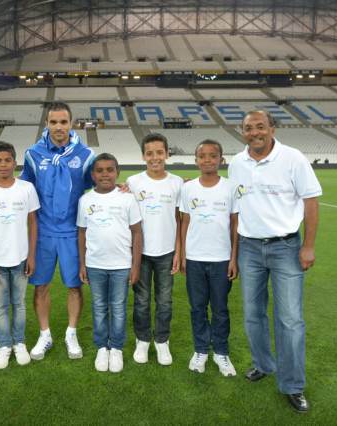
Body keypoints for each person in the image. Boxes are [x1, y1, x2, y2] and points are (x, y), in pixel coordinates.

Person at [228, 110, 321, 413]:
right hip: (250, 248)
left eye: (260, 126)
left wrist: (308, 246)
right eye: (248, 128)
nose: (254, 132)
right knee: (253, 314)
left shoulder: (293, 158)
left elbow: (311, 202)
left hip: (286, 248)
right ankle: (263, 365)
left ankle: (293, 385)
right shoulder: (237, 163)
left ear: (272, 128)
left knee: (290, 319)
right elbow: (234, 205)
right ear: (242, 132)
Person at [20, 102, 95, 360]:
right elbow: (21, 188)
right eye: (54, 122)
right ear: (47, 124)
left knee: (75, 286)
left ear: (71, 124)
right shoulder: (33, 153)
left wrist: (122, 187)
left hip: (72, 233)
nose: (59, 127)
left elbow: (100, 185)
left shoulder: (86, 155)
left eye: (64, 122)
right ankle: (45, 334)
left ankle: (71, 333)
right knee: (40, 286)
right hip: (42, 233)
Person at [0, 142, 40, 369]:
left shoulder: (26, 188)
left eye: (7, 160)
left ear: (15, 162)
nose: (3, 165)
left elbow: (33, 223)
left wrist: (32, 256)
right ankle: (4, 345)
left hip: (21, 258)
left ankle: (19, 343)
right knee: (0, 305)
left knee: (19, 303)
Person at [77, 153, 143, 373]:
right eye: (100, 170)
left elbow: (136, 233)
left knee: (118, 308)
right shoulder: (85, 200)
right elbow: (82, 234)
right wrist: (82, 264)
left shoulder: (127, 198)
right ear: (93, 175)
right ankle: (101, 347)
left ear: (117, 172)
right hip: (95, 264)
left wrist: (135, 266)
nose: (105, 174)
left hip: (121, 265)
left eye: (110, 170)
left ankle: (116, 348)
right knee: (98, 307)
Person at [180, 140, 238, 377]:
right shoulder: (188, 188)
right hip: (194, 258)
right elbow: (183, 222)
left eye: (212, 156)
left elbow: (235, 224)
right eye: (202, 156)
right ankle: (201, 349)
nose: (207, 160)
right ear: (196, 160)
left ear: (221, 159)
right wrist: (182, 255)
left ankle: (221, 352)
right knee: (197, 307)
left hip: (222, 258)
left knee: (220, 308)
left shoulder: (230, 187)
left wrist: (234, 258)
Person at [126, 133, 182, 366]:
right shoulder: (132, 182)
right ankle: (142, 340)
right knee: (141, 300)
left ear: (167, 154)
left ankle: (162, 341)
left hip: (167, 252)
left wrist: (179, 252)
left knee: (165, 300)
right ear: (143, 156)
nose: (155, 157)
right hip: (140, 254)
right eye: (150, 153)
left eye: (160, 152)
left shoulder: (177, 182)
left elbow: (180, 221)